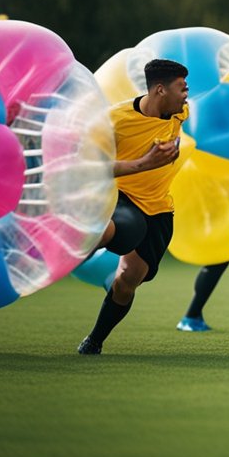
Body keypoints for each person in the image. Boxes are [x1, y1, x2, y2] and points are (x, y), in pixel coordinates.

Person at [78, 59, 190, 355]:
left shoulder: (179, 113)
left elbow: (169, 138)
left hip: (159, 209)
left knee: (130, 280)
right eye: (182, 88)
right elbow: (88, 167)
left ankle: (94, 341)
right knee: (115, 230)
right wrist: (144, 163)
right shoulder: (114, 121)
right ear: (160, 90)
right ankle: (64, 255)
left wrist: (172, 151)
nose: (186, 94)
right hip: (121, 198)